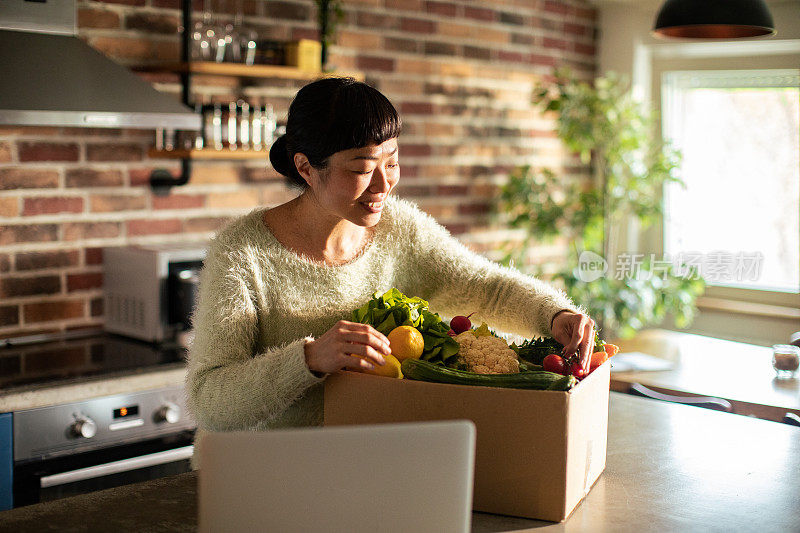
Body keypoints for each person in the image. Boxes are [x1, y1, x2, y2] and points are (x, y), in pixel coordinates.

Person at [185, 77, 596, 464]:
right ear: (307, 168)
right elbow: (208, 400)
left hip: (364, 469)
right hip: (254, 481)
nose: (383, 185)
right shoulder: (243, 252)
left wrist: (554, 315)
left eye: (392, 163)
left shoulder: (400, 229)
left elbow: (484, 287)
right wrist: (309, 359)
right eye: (362, 169)